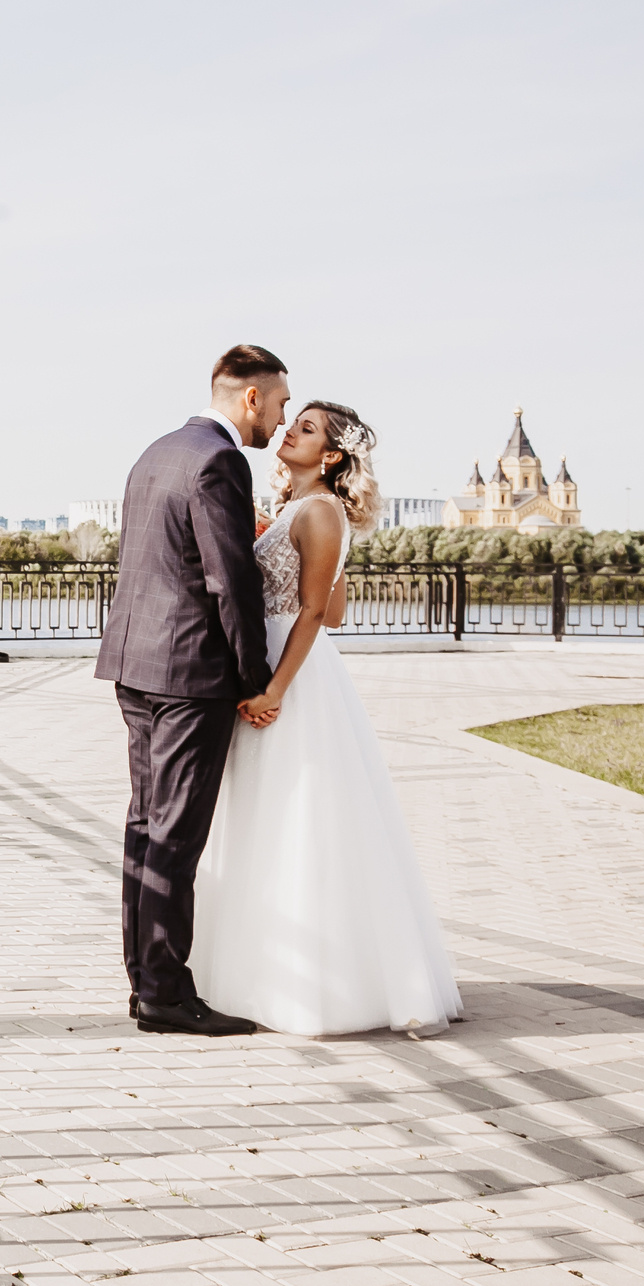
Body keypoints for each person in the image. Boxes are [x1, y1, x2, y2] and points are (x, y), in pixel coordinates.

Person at [190, 401, 463, 1037]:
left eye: (306, 428)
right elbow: (336, 608)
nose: (289, 430)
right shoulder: (304, 510)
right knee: (278, 817)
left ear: (332, 455)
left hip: (294, 671)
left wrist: (275, 689)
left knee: (299, 818)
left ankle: (312, 984)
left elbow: (314, 614)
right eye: (294, 421)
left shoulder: (318, 511)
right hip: (294, 658)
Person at [95, 345, 287, 1036]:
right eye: (282, 401)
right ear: (252, 398)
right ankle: (166, 995)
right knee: (175, 835)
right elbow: (227, 579)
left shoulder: (157, 450)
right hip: (188, 675)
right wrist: (253, 678)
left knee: (146, 828)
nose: (283, 416)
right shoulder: (219, 459)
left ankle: (145, 982)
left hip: (136, 665)